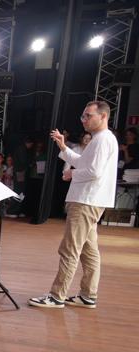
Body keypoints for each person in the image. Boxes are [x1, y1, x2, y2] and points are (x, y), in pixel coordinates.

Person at [29, 101, 118, 309]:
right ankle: (88, 295)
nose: (84, 120)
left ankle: (57, 296)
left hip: (85, 201)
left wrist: (71, 173)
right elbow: (83, 162)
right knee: (89, 251)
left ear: (103, 116)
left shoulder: (102, 139)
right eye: (83, 116)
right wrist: (63, 146)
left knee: (69, 249)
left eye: (88, 116)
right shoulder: (100, 139)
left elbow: (94, 172)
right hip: (90, 201)